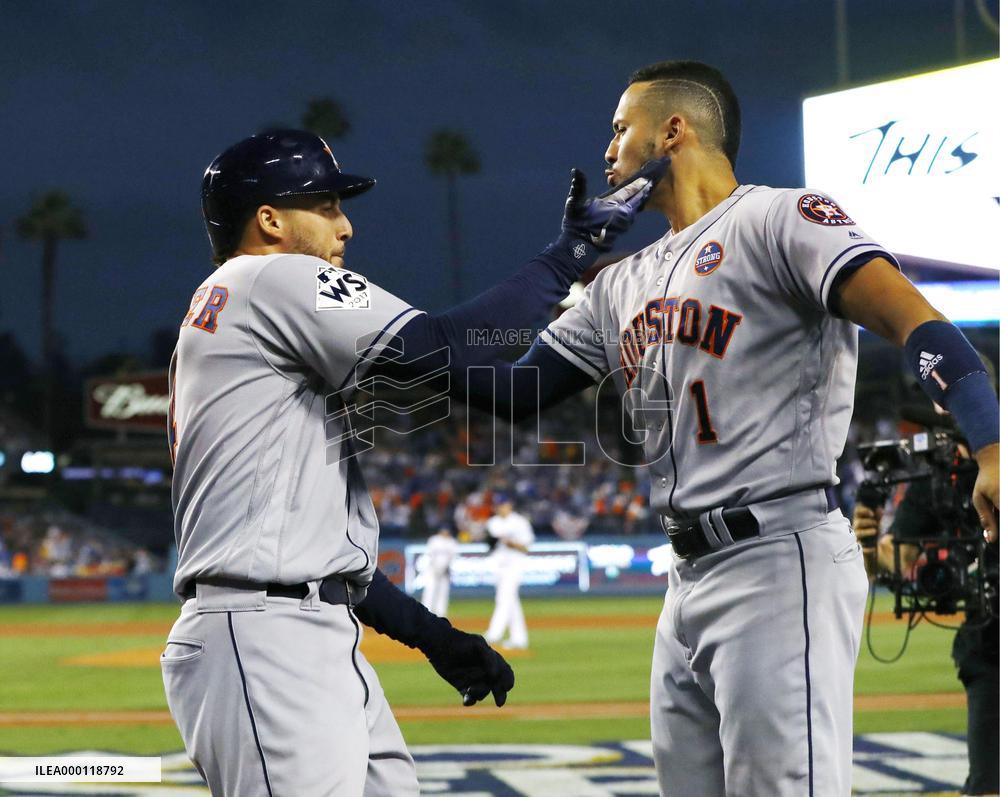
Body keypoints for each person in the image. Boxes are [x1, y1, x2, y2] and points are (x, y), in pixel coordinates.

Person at [444, 60, 999, 795]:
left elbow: (916, 321)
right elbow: (515, 390)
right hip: (684, 576)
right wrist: (399, 345)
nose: (608, 148)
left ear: (673, 130)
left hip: (780, 556)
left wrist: (990, 443)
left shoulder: (781, 219)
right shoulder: (617, 281)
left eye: (621, 127)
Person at [161, 128, 663, 797]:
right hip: (265, 640)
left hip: (298, 629)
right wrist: (570, 253)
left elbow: (326, 554)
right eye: (326, 206)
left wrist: (434, 636)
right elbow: (448, 346)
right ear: (270, 220)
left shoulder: (238, 309)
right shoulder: (269, 276)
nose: (345, 225)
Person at [854, 405, 999, 797]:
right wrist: (866, 541)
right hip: (988, 642)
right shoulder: (937, 480)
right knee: (987, 785)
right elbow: (894, 559)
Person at [484, 496, 535, 650]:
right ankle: (519, 639)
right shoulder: (492, 523)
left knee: (504, 598)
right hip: (498, 565)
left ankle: (494, 634)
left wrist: (511, 543)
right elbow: (489, 544)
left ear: (510, 505)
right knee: (511, 601)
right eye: (498, 505)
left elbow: (526, 547)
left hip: (514, 565)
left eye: (503, 504)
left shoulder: (519, 522)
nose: (501, 507)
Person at [420, 527, 459, 617]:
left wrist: (447, 568)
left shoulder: (452, 542)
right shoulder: (434, 540)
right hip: (432, 570)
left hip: (445, 571)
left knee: (443, 592)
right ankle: (425, 612)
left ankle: (441, 614)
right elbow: (428, 555)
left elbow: (454, 557)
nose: (445, 532)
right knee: (430, 590)